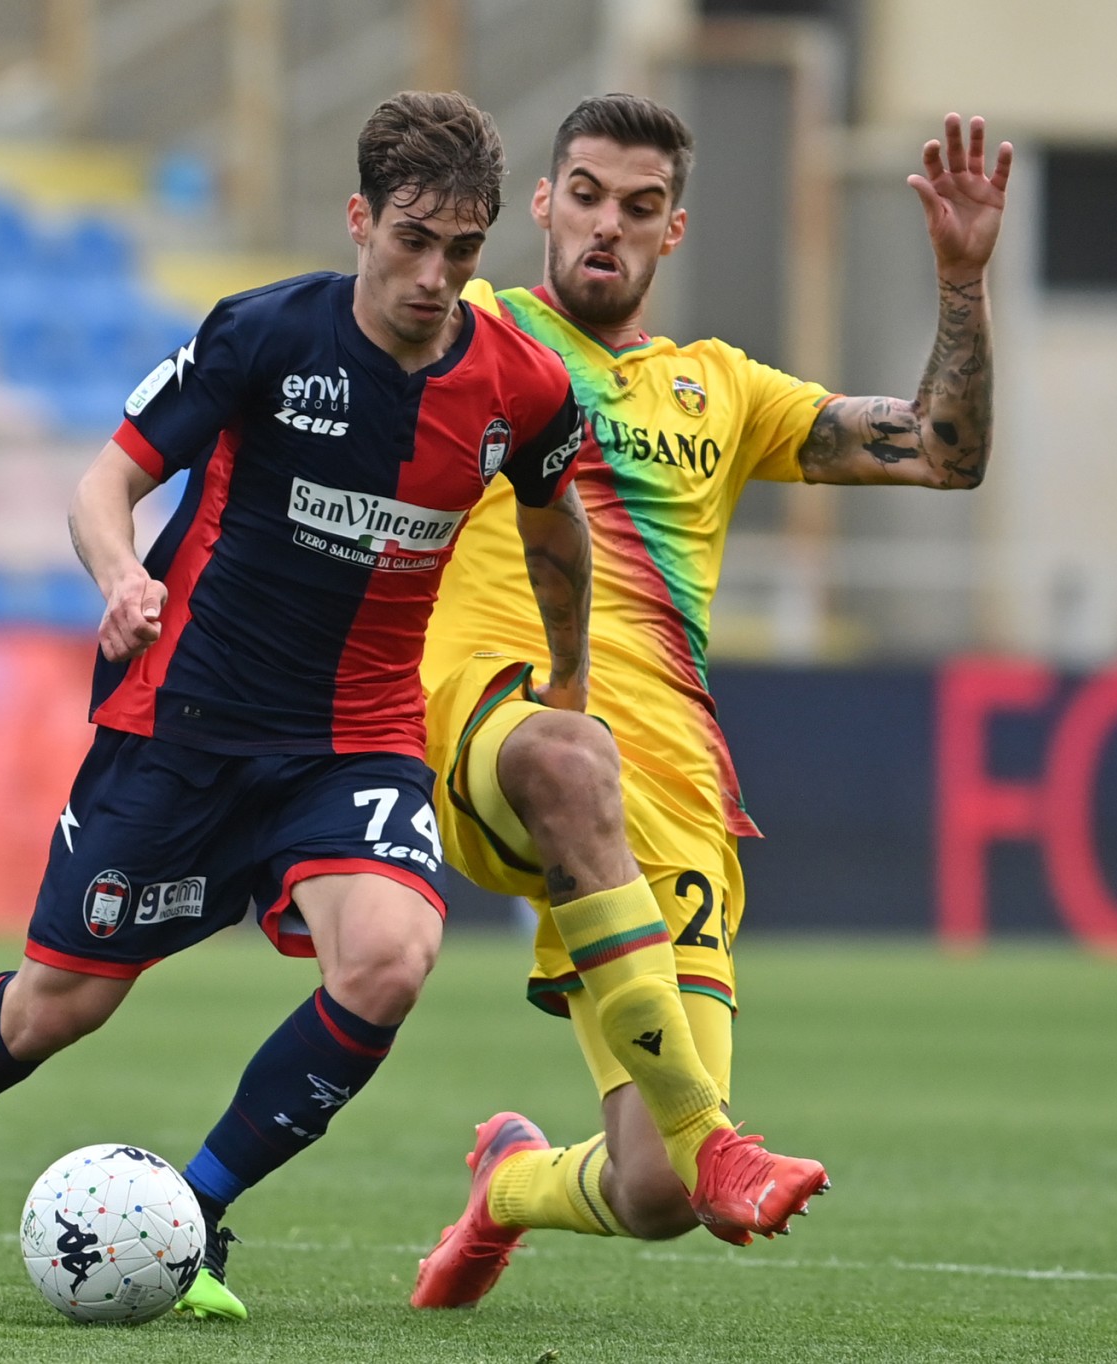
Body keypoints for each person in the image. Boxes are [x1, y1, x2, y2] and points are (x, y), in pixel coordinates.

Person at [0, 91, 594, 1322]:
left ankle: (189, 1218)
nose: (434, 275)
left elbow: (555, 528)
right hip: (183, 724)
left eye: (462, 250)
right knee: (59, 1004)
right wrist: (120, 575)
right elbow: (105, 482)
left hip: (354, 739)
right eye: (412, 240)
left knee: (390, 958)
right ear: (359, 219)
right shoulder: (263, 335)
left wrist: (570, 678)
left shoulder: (521, 385)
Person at [405, 96, 1010, 1309]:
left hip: (669, 792)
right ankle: (718, 1136)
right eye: (584, 195)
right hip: (501, 720)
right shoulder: (469, 335)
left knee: (654, 1191)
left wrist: (959, 281)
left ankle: (512, 1181)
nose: (606, 226)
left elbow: (943, 450)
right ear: (542, 203)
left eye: (637, 207)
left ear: (671, 229)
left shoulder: (720, 389)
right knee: (565, 757)